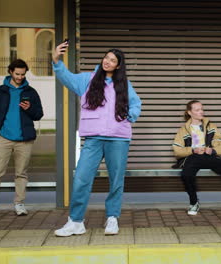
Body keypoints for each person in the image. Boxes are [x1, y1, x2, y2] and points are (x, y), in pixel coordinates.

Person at [52, 41, 141, 237]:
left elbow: (136, 104)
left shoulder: (124, 84)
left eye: (113, 60)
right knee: (81, 179)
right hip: (93, 138)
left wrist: (129, 115)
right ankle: (75, 221)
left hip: (118, 138)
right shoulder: (87, 79)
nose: (107, 62)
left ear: (118, 65)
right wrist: (56, 60)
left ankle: (112, 218)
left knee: (116, 180)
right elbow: (66, 78)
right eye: (106, 58)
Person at [0, 59, 44, 219]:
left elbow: (39, 114)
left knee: (21, 173)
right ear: (10, 72)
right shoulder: (0, 91)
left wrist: (30, 109)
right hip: (4, 138)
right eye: (17, 74)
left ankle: (19, 203)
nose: (20, 77)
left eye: (23, 74)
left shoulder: (31, 92)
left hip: (25, 140)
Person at [173, 100, 221, 218]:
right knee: (186, 174)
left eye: (202, 109)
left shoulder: (210, 126)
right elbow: (177, 150)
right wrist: (192, 150)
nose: (201, 112)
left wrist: (213, 150)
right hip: (193, 157)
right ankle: (194, 203)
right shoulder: (183, 130)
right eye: (197, 110)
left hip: (210, 155)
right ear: (189, 112)